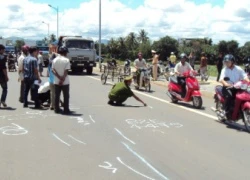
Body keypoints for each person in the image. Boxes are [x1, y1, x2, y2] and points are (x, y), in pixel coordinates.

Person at [219, 54, 249, 119]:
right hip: (228, 87)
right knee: (229, 96)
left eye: (228, 62)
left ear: (232, 62)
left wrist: (248, 81)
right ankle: (225, 111)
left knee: (246, 95)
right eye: (225, 62)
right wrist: (226, 84)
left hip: (237, 87)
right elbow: (221, 79)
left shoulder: (238, 69)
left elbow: (245, 77)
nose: (226, 63)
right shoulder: (224, 70)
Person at [52, 46, 71, 114]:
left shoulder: (54, 60)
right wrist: (62, 79)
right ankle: (66, 109)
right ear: (65, 53)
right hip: (65, 81)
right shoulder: (66, 60)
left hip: (56, 81)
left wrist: (59, 78)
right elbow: (66, 71)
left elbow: (53, 70)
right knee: (66, 96)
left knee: (57, 95)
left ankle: (56, 109)